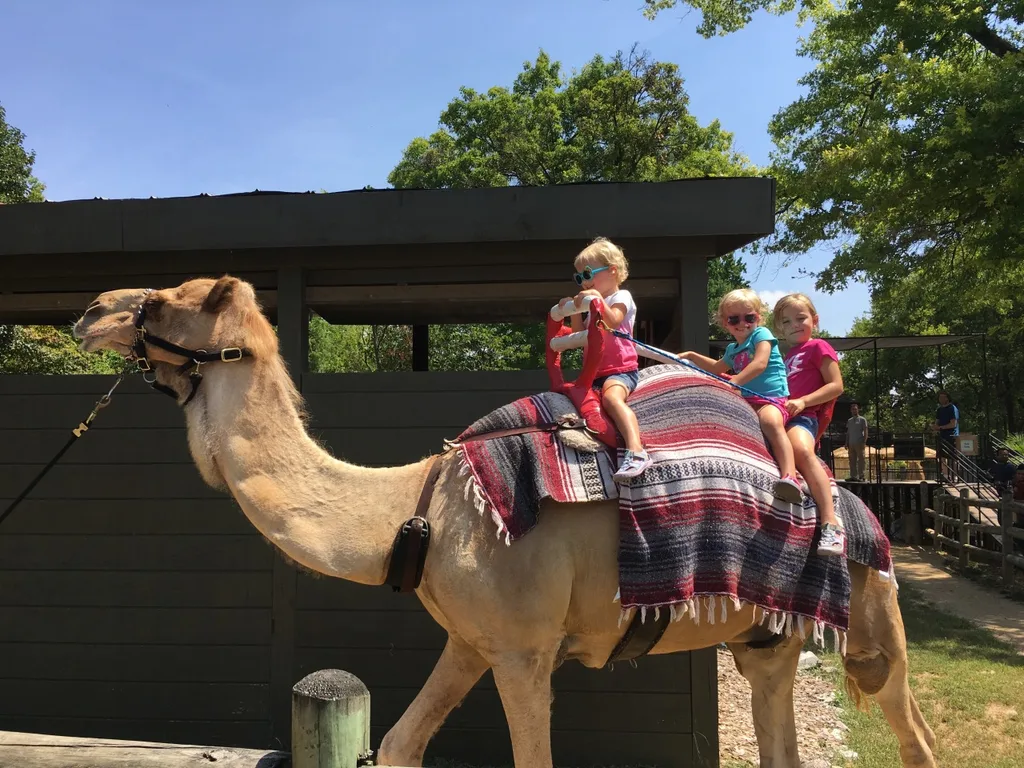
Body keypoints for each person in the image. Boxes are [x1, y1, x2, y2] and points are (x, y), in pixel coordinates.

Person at [677, 288, 802, 504]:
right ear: (725, 323)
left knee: (770, 422)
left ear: (758, 318)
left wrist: (735, 381)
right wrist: (691, 356)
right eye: (734, 318)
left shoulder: (761, 335)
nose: (742, 323)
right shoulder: (732, 349)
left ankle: (790, 476)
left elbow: (760, 363)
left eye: (749, 317)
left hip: (771, 399)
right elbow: (716, 367)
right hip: (747, 400)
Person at [561, 237, 650, 482]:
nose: (584, 282)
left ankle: (637, 451)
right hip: (593, 372)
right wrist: (573, 309)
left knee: (612, 398)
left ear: (612, 271)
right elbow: (579, 332)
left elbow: (612, 321)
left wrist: (595, 301)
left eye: (587, 274)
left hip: (620, 370)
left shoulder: (622, 296)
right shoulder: (593, 303)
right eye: (579, 278)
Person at [774, 293, 847, 556]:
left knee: (801, 450)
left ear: (814, 320)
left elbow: (836, 385)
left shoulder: (818, 347)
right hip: (782, 417)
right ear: (780, 328)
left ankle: (831, 523)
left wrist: (803, 401)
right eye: (787, 321)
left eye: (800, 318)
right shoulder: (787, 356)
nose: (794, 324)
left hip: (804, 417)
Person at [931, 391, 959, 480]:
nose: (941, 399)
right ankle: (946, 476)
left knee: (953, 457)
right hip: (941, 437)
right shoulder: (939, 409)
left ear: (947, 398)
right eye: (940, 397)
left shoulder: (952, 408)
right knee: (941, 457)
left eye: (943, 397)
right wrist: (934, 427)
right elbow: (937, 423)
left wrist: (940, 428)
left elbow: (953, 424)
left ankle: (954, 476)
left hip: (951, 436)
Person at [846, 402, 869, 481]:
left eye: (855, 409)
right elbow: (848, 432)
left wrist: (864, 441)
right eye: (853, 409)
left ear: (858, 410)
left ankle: (861, 476)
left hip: (859, 442)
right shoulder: (849, 420)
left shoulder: (862, 420)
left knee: (861, 460)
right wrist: (846, 443)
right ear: (851, 410)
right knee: (852, 460)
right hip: (851, 443)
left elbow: (865, 431)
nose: (854, 411)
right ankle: (853, 476)